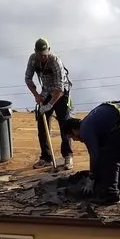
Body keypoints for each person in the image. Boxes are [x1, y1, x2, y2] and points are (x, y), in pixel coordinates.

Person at [60, 100, 120, 205]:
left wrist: (91, 179)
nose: (76, 140)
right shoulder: (91, 122)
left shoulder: (85, 129)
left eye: (72, 137)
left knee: (111, 159)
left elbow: (94, 155)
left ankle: (112, 195)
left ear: (74, 129)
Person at [25, 37, 74, 170]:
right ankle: (46, 157)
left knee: (65, 124)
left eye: (45, 54)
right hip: (46, 91)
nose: (43, 57)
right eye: (40, 55)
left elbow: (59, 88)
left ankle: (68, 156)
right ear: (35, 52)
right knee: (42, 124)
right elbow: (28, 79)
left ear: (49, 51)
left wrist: (50, 105)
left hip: (61, 93)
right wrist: (37, 96)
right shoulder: (33, 59)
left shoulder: (55, 61)